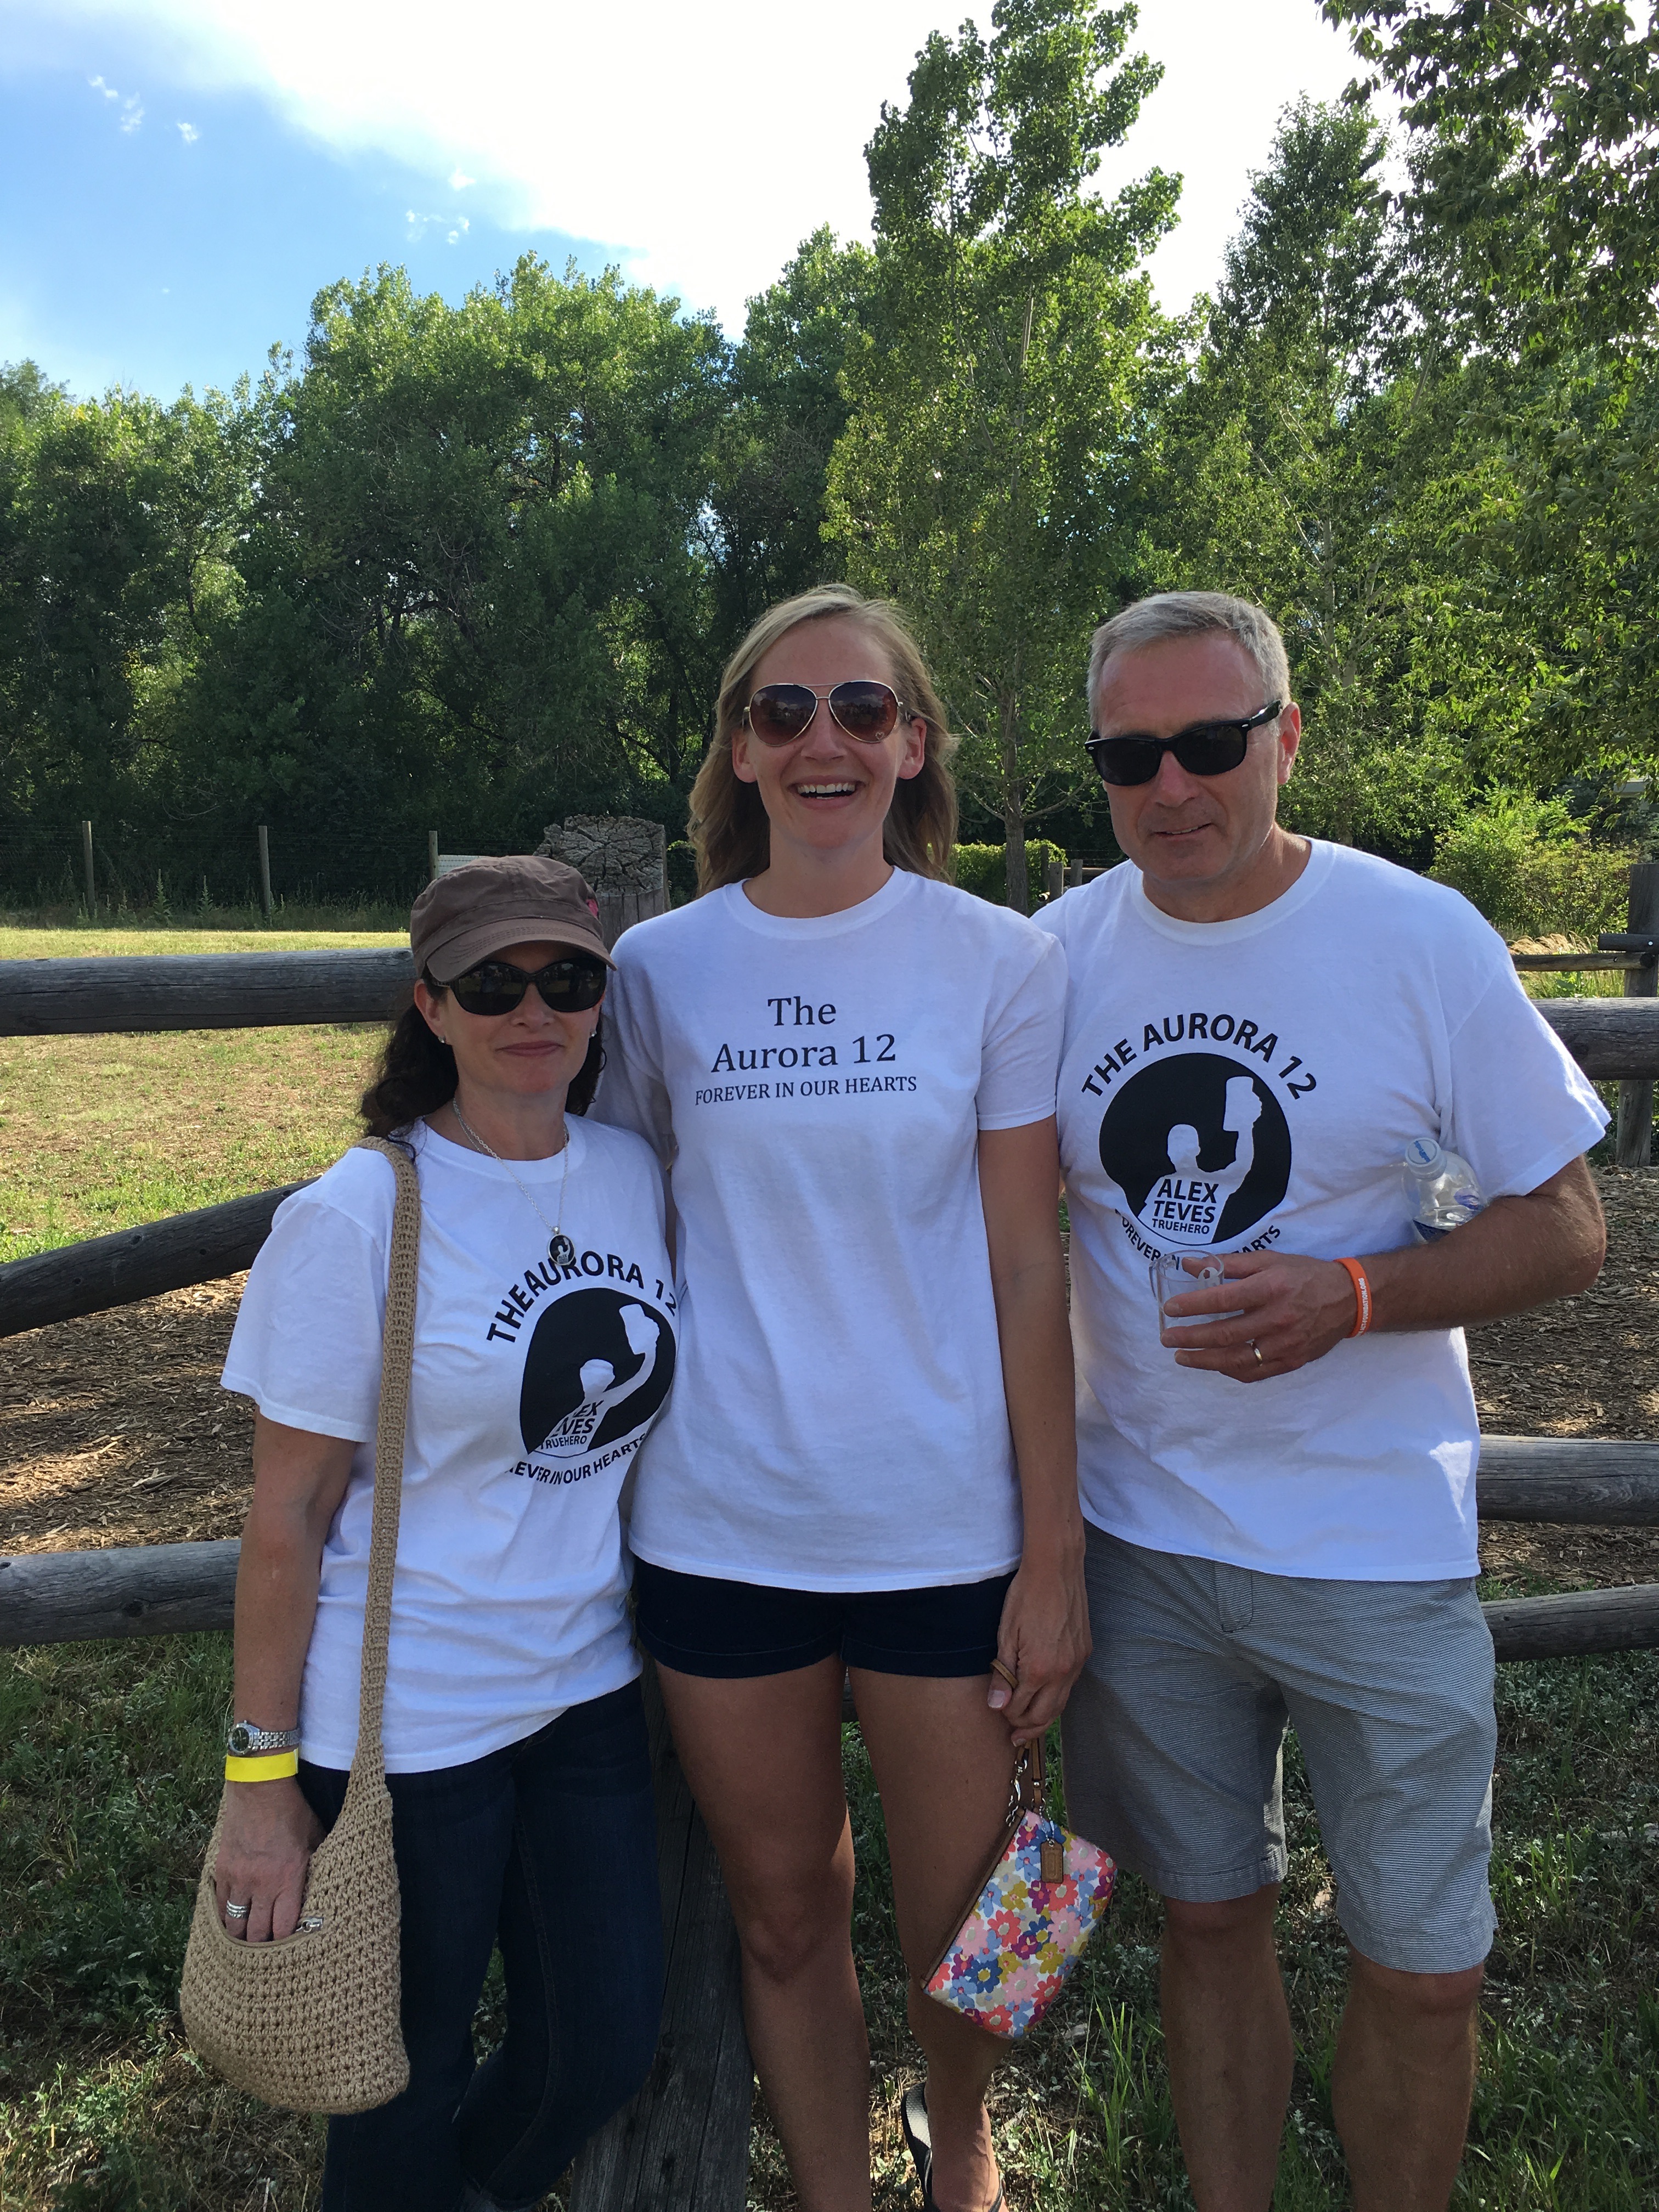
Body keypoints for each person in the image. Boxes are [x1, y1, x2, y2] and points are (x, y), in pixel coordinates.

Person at [1034, 590, 1609, 2212]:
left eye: (1212, 743)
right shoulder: (1055, 958)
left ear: (1287, 737)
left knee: (1425, 1965)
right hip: (1143, 1541)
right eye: (1130, 757)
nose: (1172, 786)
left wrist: (1354, 1294)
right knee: (1206, 1919)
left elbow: (1569, 1227)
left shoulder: (1418, 938)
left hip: (1374, 1545)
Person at [591, 583, 1088, 2212]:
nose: (826, 740)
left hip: (946, 1526)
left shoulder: (1001, 960)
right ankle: (833, 2195)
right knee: (786, 1916)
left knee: (978, 1919)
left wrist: (1054, 1554)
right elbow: (622, 1211)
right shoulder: (656, 970)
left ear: (914, 743)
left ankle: (966, 2145)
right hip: (722, 1523)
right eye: (784, 711)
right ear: (739, 749)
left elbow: (1027, 1263)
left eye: (862, 709)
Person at [213, 856, 678, 2212]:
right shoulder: (358, 1214)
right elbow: (288, 1514)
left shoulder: (628, 1173)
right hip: (409, 1724)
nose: (534, 1011)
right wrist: (260, 1786)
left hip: (585, 1690)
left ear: (600, 1000)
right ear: (430, 1005)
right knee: (399, 2077)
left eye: (568, 979)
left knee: (599, 2044)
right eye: (492, 984)